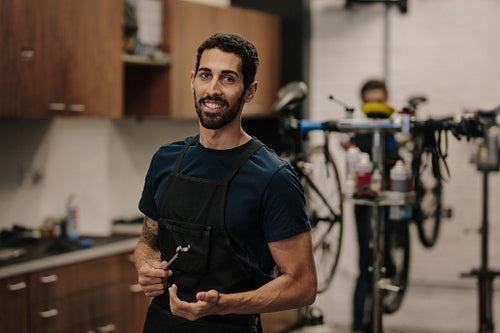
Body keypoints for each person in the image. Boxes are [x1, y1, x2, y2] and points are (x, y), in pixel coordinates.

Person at [133, 33, 317, 333]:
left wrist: (227, 304)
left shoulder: (273, 177)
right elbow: (147, 242)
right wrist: (146, 265)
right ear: (193, 80)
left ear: (250, 91)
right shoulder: (165, 160)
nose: (213, 89)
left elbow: (303, 285)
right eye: (206, 75)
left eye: (228, 79)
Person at [348, 79, 400, 332]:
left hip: (390, 201)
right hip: (365, 204)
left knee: (387, 261)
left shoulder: (394, 128)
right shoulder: (358, 130)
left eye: (380, 100)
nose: (376, 106)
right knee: (365, 266)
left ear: (387, 99)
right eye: (370, 101)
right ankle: (359, 327)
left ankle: (375, 317)